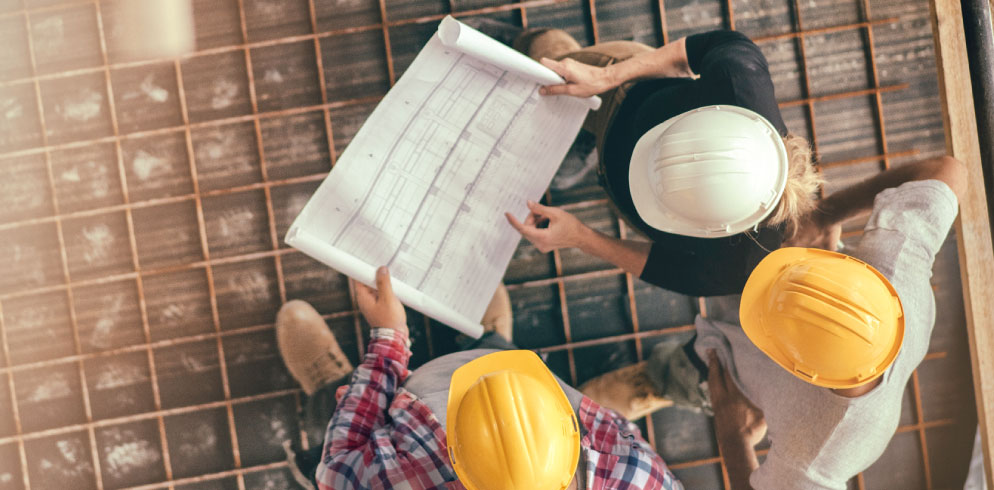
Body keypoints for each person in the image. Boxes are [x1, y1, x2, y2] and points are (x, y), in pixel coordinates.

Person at [582, 155, 968, 489]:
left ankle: (657, 381)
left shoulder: (817, 453)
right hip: (785, 275)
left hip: (731, 374)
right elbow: (946, 171)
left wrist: (734, 438)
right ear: (857, 273)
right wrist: (822, 215)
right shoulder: (898, 267)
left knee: (684, 373)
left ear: (793, 366)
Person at [484, 24, 824, 298]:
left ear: (714, 229)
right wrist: (605, 78)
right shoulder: (739, 78)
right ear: (712, 113)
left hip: (617, 161)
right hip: (625, 89)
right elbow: (688, 53)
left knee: (564, 138)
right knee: (551, 61)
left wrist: (579, 237)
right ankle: (529, 39)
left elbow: (662, 266)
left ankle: (586, 144)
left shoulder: (740, 265)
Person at [277, 266, 683, 489]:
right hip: (560, 406)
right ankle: (495, 347)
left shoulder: (383, 480)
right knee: (505, 358)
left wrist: (388, 341)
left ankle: (332, 386)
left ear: (455, 452)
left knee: (340, 412)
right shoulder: (636, 475)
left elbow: (337, 468)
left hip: (409, 400)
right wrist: (595, 412)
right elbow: (616, 429)